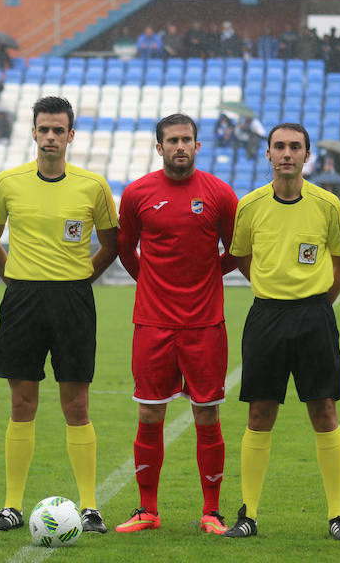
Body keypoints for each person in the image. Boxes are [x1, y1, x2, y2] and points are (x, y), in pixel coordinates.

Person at [0, 96, 119, 534]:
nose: (51, 137)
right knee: (22, 403)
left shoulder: (93, 186)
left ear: (71, 135)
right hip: (22, 299)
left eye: (59, 130)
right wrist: (16, 280)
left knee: (76, 403)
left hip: (73, 302)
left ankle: (91, 506)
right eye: (44, 129)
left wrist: (80, 280)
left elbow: (111, 245)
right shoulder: (8, 182)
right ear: (34, 132)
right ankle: (11, 506)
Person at [223, 123, 340, 541]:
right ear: (267, 154)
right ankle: (249, 515)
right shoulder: (250, 205)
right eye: (278, 146)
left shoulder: (328, 204)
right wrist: (273, 286)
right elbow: (242, 258)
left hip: (315, 317)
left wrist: (317, 305)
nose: (286, 153)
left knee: (324, 411)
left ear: (307, 155)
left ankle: (336, 514)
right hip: (266, 317)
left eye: (294, 147)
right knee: (260, 414)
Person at [114, 114, 239, 535]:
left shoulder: (220, 194)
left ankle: (212, 512)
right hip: (152, 323)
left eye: (187, 139)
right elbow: (126, 249)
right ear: (159, 147)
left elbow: (236, 251)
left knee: (206, 414)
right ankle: (147, 511)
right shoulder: (137, 194)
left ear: (198, 146)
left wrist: (205, 277)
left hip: (205, 324)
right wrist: (153, 282)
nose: (180, 146)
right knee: (150, 413)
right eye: (172, 140)